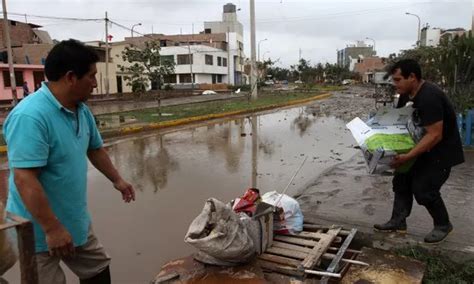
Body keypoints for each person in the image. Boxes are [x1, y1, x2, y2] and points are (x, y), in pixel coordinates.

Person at [3, 39, 135, 283]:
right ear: (71, 77)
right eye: (92, 76)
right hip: (38, 229)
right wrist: (52, 229)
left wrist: (117, 180)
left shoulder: (80, 109)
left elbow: (94, 149)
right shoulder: (30, 117)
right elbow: (24, 177)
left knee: (97, 269)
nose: (95, 83)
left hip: (73, 218)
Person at [374, 59, 464, 244]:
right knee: (401, 181)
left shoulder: (430, 97)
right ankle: (398, 221)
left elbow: (435, 135)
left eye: (398, 80)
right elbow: (399, 124)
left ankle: (443, 225)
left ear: (412, 77)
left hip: (439, 153)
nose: (394, 84)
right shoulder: (406, 95)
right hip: (418, 149)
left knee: (424, 190)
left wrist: (408, 156)